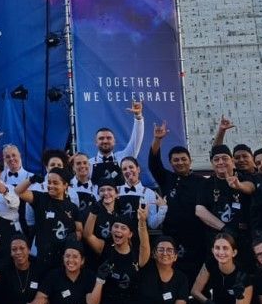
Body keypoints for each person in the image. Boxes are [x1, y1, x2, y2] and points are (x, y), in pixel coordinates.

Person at [79, 209, 152, 304]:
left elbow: (145, 245)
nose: (118, 230)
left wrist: (142, 222)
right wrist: (95, 210)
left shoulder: (137, 255)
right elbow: (87, 235)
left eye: (123, 228)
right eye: (116, 226)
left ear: (130, 234)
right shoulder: (105, 248)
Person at [149, 122, 206, 282]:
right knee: (172, 276)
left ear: (190, 160)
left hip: (197, 237)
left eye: (183, 159)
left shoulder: (202, 181)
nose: (180, 162)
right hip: (171, 237)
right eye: (176, 160)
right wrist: (157, 139)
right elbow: (153, 163)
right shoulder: (167, 178)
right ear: (171, 163)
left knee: (196, 277)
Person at [15, 172, 82, 272]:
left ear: (65, 185)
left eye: (55, 183)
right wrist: (31, 179)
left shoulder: (72, 207)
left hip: (63, 260)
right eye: (49, 182)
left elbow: (79, 230)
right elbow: (18, 191)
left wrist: (74, 237)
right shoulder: (41, 198)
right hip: (42, 257)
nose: (51, 186)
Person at [195, 144, 253, 256]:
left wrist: (239, 186)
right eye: (216, 159)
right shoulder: (206, 183)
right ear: (212, 163)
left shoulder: (244, 177)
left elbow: (250, 188)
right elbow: (200, 210)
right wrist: (225, 228)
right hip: (218, 238)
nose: (221, 162)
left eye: (225, 158)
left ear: (232, 160)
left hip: (245, 237)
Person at [89, 102, 146, 188]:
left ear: (114, 141)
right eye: (101, 138)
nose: (105, 141)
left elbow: (136, 140)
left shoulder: (124, 157)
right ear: (95, 142)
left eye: (109, 138)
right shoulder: (88, 164)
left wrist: (138, 117)